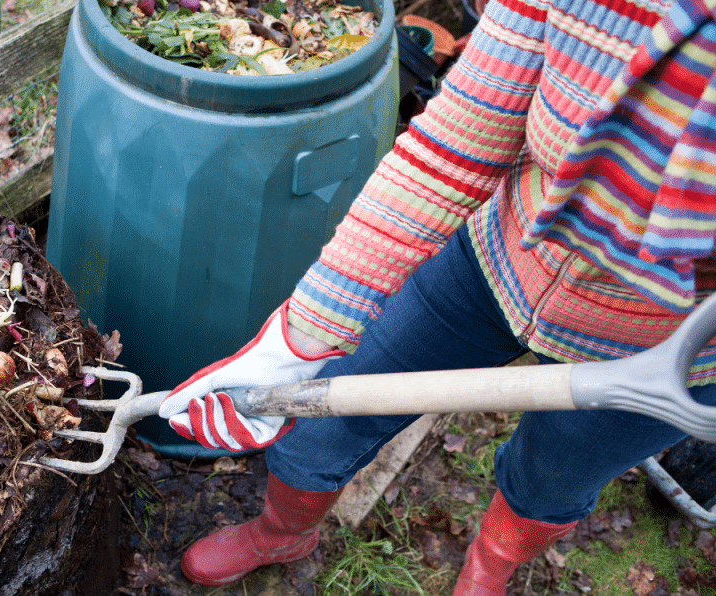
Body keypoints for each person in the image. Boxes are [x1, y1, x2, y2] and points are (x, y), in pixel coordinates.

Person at [156, 0, 716, 592]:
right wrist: (300, 335)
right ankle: (282, 533)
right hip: (494, 262)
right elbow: (454, 144)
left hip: (663, 350)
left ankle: (490, 563)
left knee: (552, 481)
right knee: (318, 421)